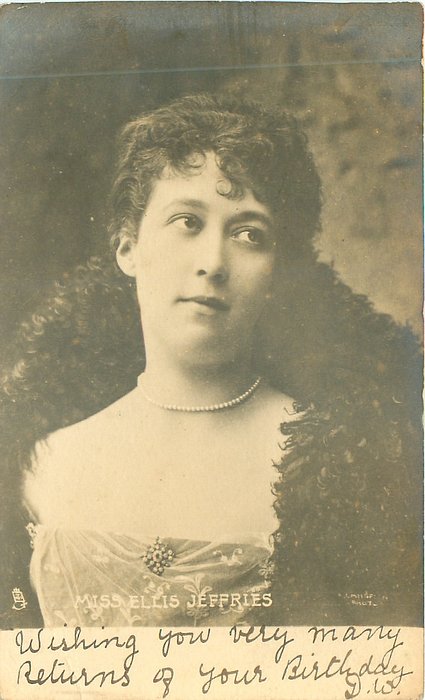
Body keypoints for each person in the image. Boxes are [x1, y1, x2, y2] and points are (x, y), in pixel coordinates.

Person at [0, 93, 422, 628]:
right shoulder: (43, 462)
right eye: (186, 221)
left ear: (277, 272)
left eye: (250, 234)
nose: (213, 262)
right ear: (128, 248)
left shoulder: (342, 469)